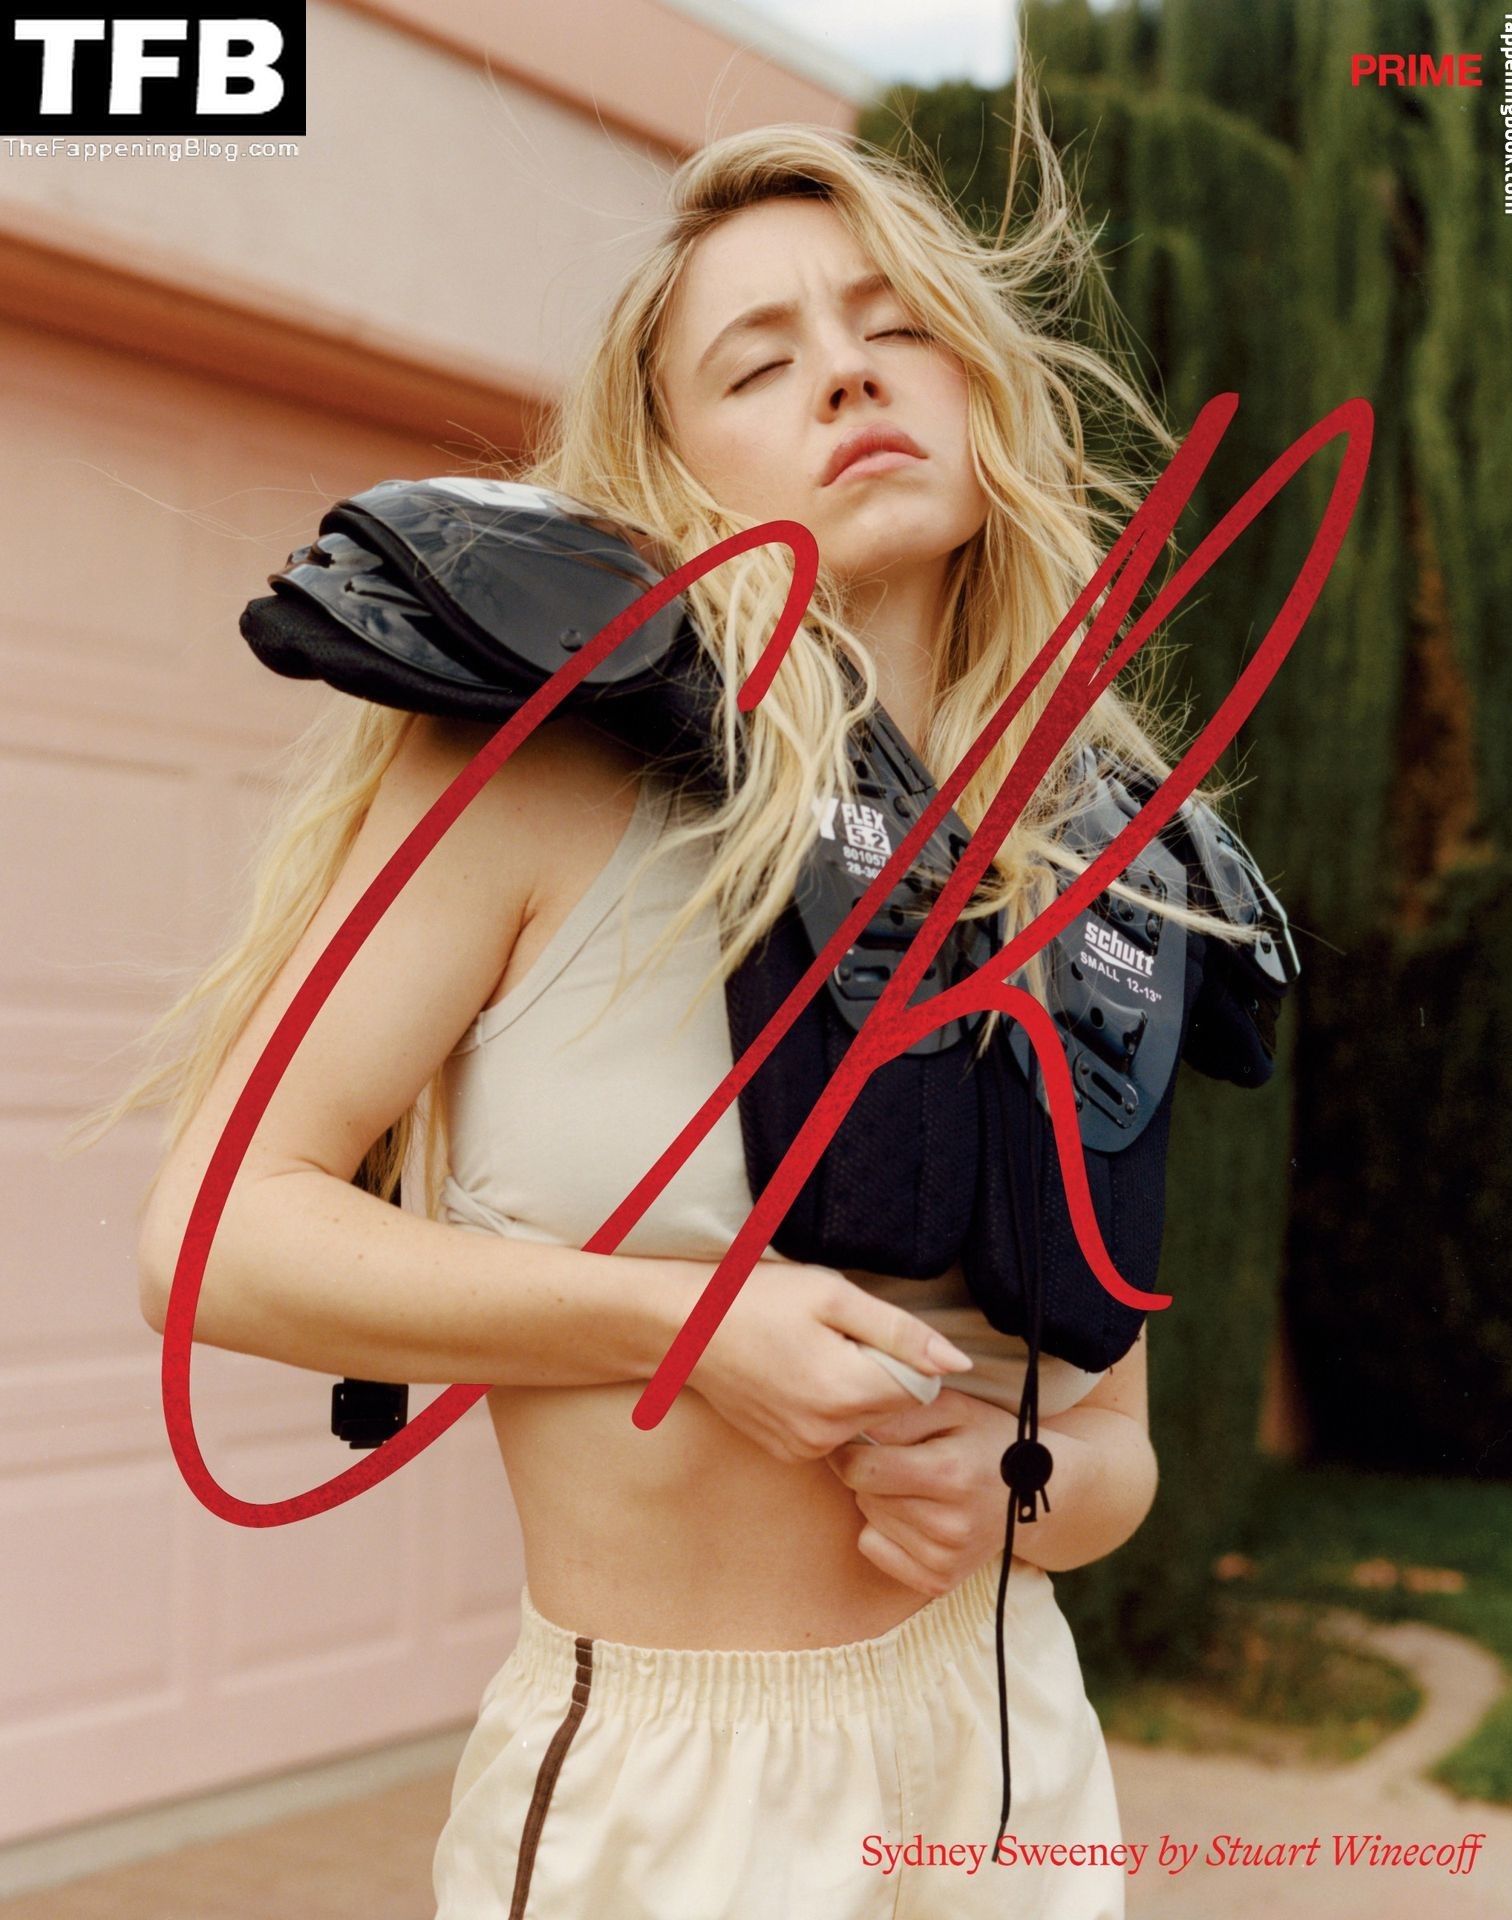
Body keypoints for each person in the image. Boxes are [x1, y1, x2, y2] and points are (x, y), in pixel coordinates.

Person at [82, 52, 1288, 1920]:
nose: (847, 374)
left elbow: (1113, 1443)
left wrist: (1018, 1490)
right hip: (671, 1791)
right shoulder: (544, 771)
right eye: (758, 362)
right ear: (671, 467)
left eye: (896, 324)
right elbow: (211, 1238)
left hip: (1008, 1760)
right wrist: (690, 1327)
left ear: (982, 390)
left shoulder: (1096, 866)